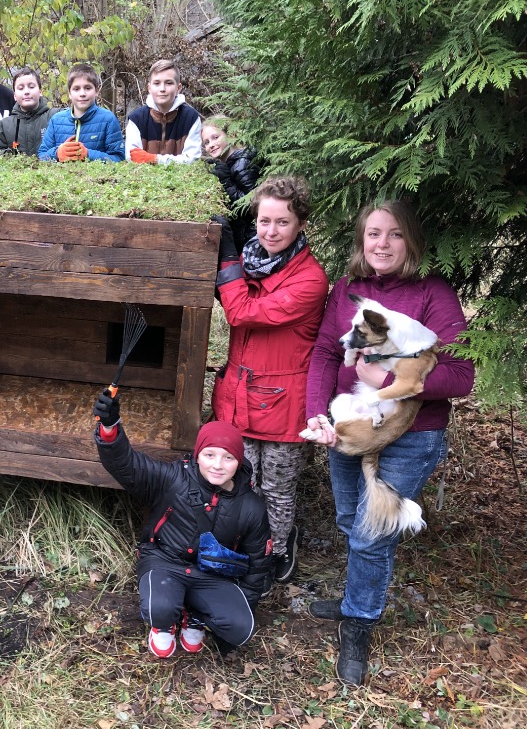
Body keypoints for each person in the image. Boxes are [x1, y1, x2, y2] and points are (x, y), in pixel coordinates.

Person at [303, 201, 474, 685]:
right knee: (348, 519)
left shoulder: (432, 293)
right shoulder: (347, 290)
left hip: (410, 435)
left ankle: (359, 621)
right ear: (361, 240)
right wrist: (316, 411)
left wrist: (386, 376)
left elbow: (462, 374)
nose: (381, 244)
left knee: (369, 533)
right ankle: (358, 596)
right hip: (352, 421)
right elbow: (321, 354)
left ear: (410, 242)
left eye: (394, 235)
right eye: (373, 234)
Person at [211, 175, 329, 590]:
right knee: (243, 480)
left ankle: (278, 548)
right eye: (264, 221)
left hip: (282, 402)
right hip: (239, 393)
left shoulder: (309, 280)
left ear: (300, 225)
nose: (271, 232)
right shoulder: (252, 258)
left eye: (282, 223)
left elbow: (241, 311)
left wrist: (225, 262)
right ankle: (245, 545)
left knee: (276, 487)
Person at [93, 390, 272, 658]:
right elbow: (126, 464)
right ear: (198, 454)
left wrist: (233, 612)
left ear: (239, 461)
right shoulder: (172, 478)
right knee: (159, 608)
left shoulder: (251, 507)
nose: (218, 465)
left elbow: (258, 565)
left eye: (228, 458)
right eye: (210, 455)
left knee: (241, 628)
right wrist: (109, 426)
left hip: (213, 575)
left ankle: (195, 614)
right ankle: (165, 623)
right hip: (163, 561)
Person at [38, 64, 125, 163]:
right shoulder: (56, 120)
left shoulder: (108, 119)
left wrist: (88, 154)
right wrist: (57, 153)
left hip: (95, 178)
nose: (82, 94)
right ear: (69, 93)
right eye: (76, 89)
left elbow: (119, 159)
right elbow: (41, 156)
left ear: (96, 91)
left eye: (88, 88)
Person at [125, 59, 202, 165]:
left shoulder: (190, 118)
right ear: (149, 88)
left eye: (169, 83)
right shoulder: (136, 119)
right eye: (156, 83)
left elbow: (192, 160)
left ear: (178, 88)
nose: (162, 89)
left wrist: (154, 159)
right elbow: (132, 158)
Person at [202, 116, 261, 252]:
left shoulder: (242, 163)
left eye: (215, 137)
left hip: (253, 239)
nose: (211, 144)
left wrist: (226, 182)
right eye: (206, 142)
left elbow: (253, 205)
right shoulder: (230, 164)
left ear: (231, 135)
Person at [0, 67, 58, 156]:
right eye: (20, 88)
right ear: (15, 95)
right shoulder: (5, 125)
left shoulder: (55, 117)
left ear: (40, 91)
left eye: (31, 87)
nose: (26, 92)